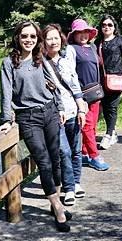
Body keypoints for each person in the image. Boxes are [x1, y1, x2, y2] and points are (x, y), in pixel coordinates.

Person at [0, 21, 71, 232]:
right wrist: (6, 120)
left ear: (37, 38)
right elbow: (7, 93)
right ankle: (58, 208)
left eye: (32, 36)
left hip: (49, 112)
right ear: (17, 38)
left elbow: (54, 85)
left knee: (56, 158)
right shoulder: (9, 63)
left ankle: (54, 200)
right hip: (28, 118)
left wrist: (60, 107)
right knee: (44, 162)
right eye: (24, 36)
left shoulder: (41, 59)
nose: (28, 40)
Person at [43, 24, 88, 205]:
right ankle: (68, 188)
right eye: (49, 39)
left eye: (56, 38)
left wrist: (81, 109)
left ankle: (76, 182)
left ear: (61, 39)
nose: (53, 42)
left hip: (73, 110)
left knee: (76, 150)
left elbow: (76, 87)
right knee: (64, 151)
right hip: (55, 114)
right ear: (43, 42)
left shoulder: (67, 60)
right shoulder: (41, 64)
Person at [66, 18, 110, 171]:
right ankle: (94, 155)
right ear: (74, 35)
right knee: (87, 126)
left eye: (85, 32)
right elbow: (70, 73)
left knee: (92, 126)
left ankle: (85, 153)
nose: (83, 35)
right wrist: (77, 95)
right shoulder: (71, 49)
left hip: (95, 92)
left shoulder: (92, 47)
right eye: (79, 32)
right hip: (82, 94)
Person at [95, 14, 122, 150]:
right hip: (101, 79)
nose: (107, 27)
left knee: (112, 106)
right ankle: (113, 132)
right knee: (105, 106)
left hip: (116, 78)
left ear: (114, 26)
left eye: (110, 25)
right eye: (104, 25)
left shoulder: (120, 40)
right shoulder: (98, 42)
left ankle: (108, 134)